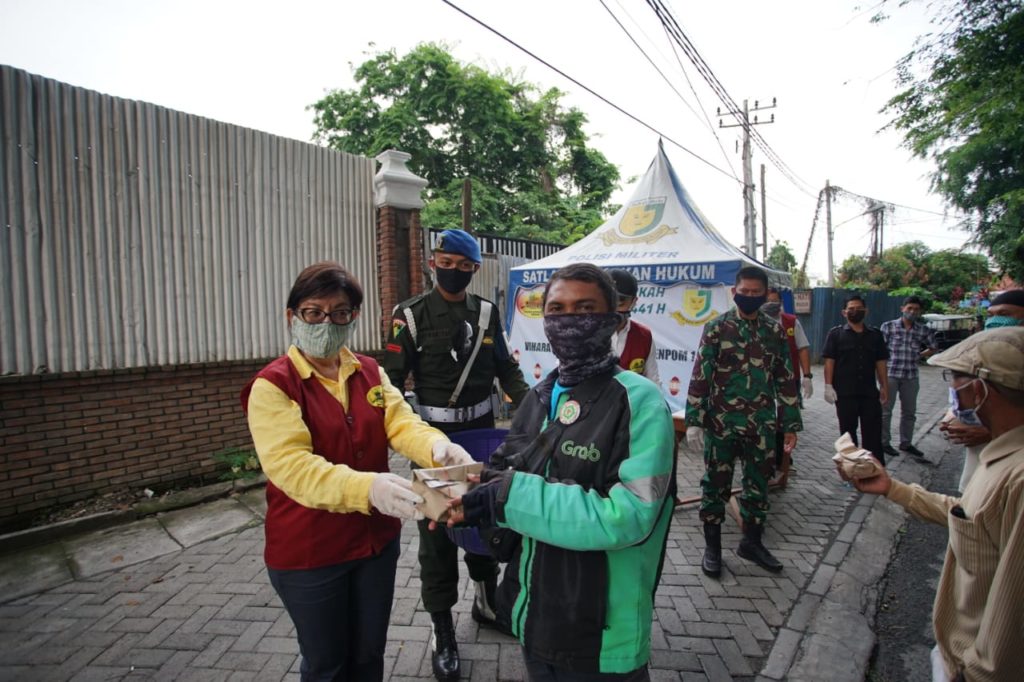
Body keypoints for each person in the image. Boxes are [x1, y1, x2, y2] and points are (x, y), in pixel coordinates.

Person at [241, 262, 474, 681]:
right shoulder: (274, 385)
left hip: (374, 547)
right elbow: (292, 468)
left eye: (340, 312)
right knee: (328, 665)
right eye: (314, 312)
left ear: (354, 316)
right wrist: (369, 489)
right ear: (291, 316)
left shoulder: (368, 370)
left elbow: (399, 422)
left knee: (369, 656)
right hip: (311, 552)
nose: (327, 322)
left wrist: (438, 447)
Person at [444, 262, 675, 681]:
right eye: (557, 310)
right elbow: (507, 471)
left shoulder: (640, 402)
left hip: (602, 635)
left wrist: (506, 496)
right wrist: (468, 499)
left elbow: (629, 517)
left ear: (613, 320)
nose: (570, 321)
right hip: (535, 619)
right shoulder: (541, 395)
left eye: (585, 308)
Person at [383, 228, 529, 681]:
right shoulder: (409, 315)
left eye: (463, 266)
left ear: (474, 270)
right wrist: (404, 433)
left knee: (482, 523)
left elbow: (507, 370)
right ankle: (442, 629)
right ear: (433, 262)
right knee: (437, 535)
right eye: (446, 262)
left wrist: (533, 415)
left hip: (483, 437)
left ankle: (487, 604)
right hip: (432, 443)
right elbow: (389, 383)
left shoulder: (485, 313)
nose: (453, 271)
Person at [847, 327, 1024, 682]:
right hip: (954, 658)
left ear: (981, 388)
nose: (951, 389)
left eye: (954, 377)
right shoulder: (1001, 457)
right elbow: (967, 516)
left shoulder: (1018, 478)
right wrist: (892, 488)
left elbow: (1012, 611)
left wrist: (973, 673)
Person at [686, 266, 802, 577]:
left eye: (756, 293)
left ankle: (751, 543)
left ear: (765, 294)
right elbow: (701, 375)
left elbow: (785, 379)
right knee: (715, 486)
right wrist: (695, 420)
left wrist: (789, 424)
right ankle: (713, 548)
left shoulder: (774, 332)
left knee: (758, 485)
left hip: (761, 426)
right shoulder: (717, 328)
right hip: (722, 424)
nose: (749, 297)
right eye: (744, 292)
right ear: (734, 292)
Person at [822, 295, 890, 465]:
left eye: (858, 308)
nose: (855, 311)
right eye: (851, 309)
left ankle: (874, 467)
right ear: (844, 312)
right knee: (847, 434)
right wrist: (828, 386)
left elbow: (880, 362)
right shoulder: (836, 334)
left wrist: (884, 386)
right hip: (845, 393)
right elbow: (829, 361)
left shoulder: (875, 335)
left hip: (868, 392)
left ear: (865, 311)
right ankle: (850, 468)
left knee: (872, 432)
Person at [762, 287, 812, 485]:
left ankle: (784, 461)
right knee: (767, 422)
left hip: (787, 382)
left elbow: (803, 348)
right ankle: (768, 462)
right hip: (762, 383)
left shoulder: (790, 322)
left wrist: (807, 376)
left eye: (775, 301)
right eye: (768, 301)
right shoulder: (754, 322)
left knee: (785, 422)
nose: (772, 305)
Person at [879, 295, 940, 460]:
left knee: (909, 412)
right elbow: (879, 352)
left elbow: (934, 346)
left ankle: (906, 443)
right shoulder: (889, 327)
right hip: (890, 375)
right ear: (902, 309)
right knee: (885, 411)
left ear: (920, 312)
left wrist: (919, 355)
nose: (912, 312)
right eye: (909, 308)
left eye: (916, 309)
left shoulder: (922, 330)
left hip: (911, 375)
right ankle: (884, 442)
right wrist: (880, 376)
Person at [608, 269, 661, 384]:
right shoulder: (587, 335)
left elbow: (653, 380)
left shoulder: (644, 336)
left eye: (620, 302)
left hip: (633, 401)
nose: (613, 308)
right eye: (608, 300)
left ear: (634, 302)